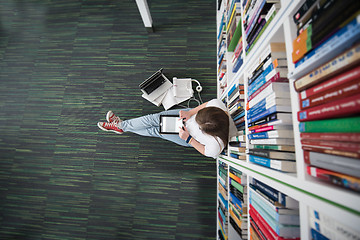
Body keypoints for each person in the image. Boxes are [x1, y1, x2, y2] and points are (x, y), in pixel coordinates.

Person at [97, 99, 237, 158]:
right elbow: (206, 104)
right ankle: (122, 126)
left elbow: (205, 151)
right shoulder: (217, 105)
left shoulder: (216, 145)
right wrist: (190, 113)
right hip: (187, 117)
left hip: (187, 137)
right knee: (153, 118)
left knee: (156, 130)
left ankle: (121, 126)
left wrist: (188, 138)